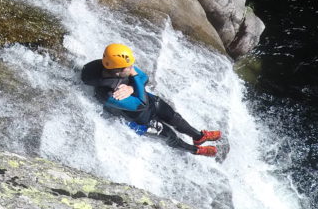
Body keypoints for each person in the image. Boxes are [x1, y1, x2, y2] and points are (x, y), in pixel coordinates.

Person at [81, 43, 221, 156]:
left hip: (151, 102)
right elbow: (141, 104)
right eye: (128, 67)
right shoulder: (108, 94)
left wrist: (131, 88)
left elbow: (145, 78)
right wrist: (135, 79)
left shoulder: (115, 67)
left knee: (176, 119)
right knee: (171, 137)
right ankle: (195, 150)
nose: (132, 68)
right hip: (141, 121)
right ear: (117, 70)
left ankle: (199, 137)